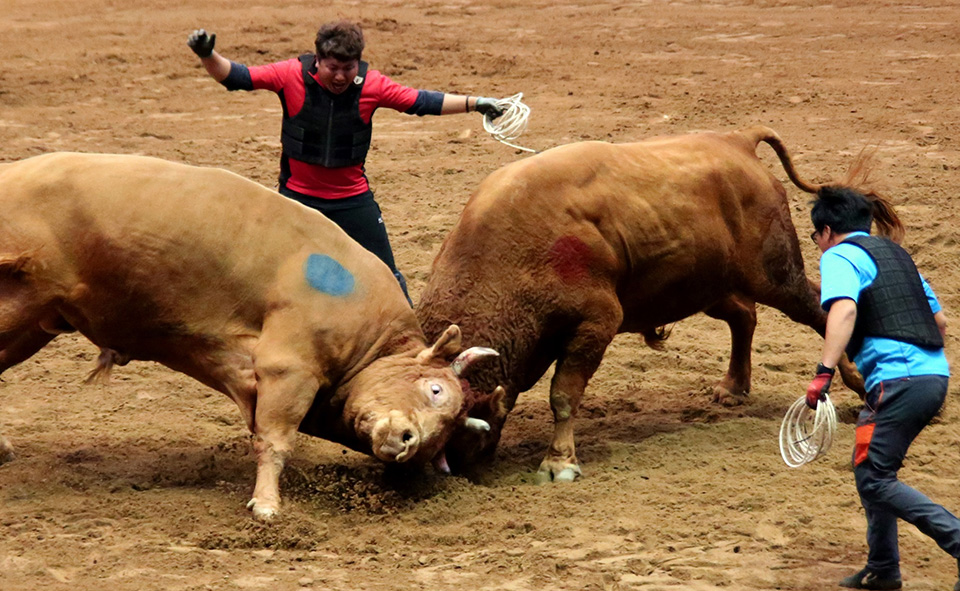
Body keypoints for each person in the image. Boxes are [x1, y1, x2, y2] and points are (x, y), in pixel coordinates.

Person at [186, 21, 507, 304]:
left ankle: (413, 348)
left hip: (352, 201)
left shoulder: (373, 85)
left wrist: (476, 103)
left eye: (349, 68)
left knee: (387, 276)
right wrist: (207, 55)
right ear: (317, 61)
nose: (340, 76)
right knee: (267, 275)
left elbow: (422, 101)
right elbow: (237, 77)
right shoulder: (290, 75)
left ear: (358, 63)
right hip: (297, 199)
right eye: (332, 68)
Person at [806, 184, 959, 590]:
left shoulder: (840, 255)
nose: (818, 247)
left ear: (825, 231)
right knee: (872, 468)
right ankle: (883, 568)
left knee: (874, 476)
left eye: (814, 238)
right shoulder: (899, 257)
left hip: (898, 383)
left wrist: (824, 371)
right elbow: (940, 324)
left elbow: (845, 309)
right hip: (932, 377)